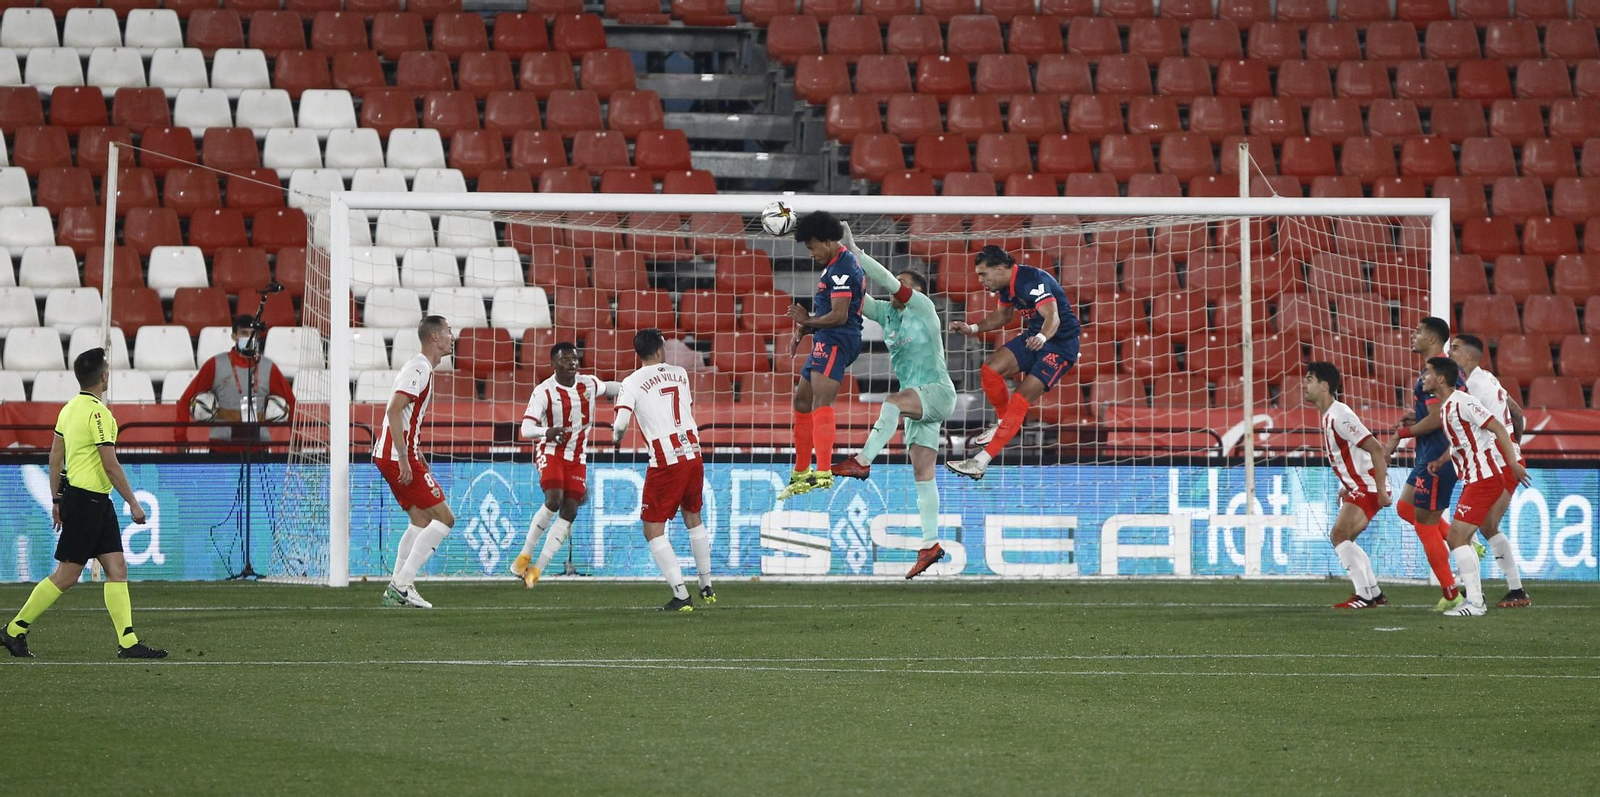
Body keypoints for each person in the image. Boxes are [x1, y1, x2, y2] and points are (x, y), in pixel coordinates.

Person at [2, 348, 166, 659]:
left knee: (117, 568)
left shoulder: (68, 410)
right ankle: (13, 630)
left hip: (90, 502)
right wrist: (133, 502)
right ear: (103, 376)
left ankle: (128, 642)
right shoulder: (99, 414)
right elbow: (110, 464)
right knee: (66, 576)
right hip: (89, 503)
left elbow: (54, 459)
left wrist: (56, 499)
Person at [828, 222, 956, 579]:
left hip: (938, 391)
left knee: (892, 402)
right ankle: (930, 544)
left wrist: (856, 252)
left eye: (903, 285)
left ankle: (863, 461)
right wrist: (838, 261)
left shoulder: (924, 309)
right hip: (921, 406)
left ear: (915, 291)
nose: (896, 290)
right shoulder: (888, 314)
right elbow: (859, 298)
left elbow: (885, 281)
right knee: (922, 473)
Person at [946, 246, 1082, 481]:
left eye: (983, 274)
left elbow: (1053, 317)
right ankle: (1001, 423)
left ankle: (980, 462)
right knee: (990, 370)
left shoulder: (1032, 280)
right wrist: (973, 328)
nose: (980, 280)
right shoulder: (1006, 287)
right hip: (1034, 337)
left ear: (1000, 268)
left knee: (1020, 398)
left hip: (1059, 345)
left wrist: (1041, 338)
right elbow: (1003, 316)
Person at [613, 328, 714, 612]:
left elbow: (621, 423)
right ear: (659, 350)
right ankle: (706, 583)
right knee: (693, 516)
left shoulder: (631, 382)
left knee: (653, 529)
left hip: (666, 460)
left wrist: (617, 437)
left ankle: (681, 596)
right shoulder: (680, 373)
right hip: (693, 453)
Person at [510, 341, 623, 588]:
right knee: (554, 498)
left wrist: (632, 389)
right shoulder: (544, 391)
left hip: (577, 455)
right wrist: (548, 431)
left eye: (574, 358)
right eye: (565, 359)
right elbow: (526, 428)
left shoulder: (589, 383)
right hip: (550, 450)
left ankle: (536, 569)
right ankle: (524, 556)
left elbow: (611, 388)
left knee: (570, 508)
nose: (572, 362)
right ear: (553, 364)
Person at [1424, 357, 1530, 617]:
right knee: (1463, 537)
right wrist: (1441, 461)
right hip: (1474, 478)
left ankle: (1475, 602)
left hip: (1485, 478)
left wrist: (1514, 463)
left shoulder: (1464, 401)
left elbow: (1497, 428)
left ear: (1440, 378)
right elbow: (1464, 441)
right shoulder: (1449, 406)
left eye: (1427, 372)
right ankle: (1474, 598)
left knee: (1457, 537)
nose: (1423, 377)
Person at [780, 210, 866, 500]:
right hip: (827, 337)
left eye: (813, 246)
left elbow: (839, 316)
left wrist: (806, 322)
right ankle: (802, 472)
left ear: (827, 241)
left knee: (821, 401)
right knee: (802, 400)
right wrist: (804, 330)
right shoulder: (833, 265)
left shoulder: (842, 268)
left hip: (839, 339)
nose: (812, 253)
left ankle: (823, 472)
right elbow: (830, 314)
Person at [1385, 317, 1467, 611]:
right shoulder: (1442, 370)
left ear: (1432, 339)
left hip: (1437, 457)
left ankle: (1451, 593)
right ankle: (1464, 543)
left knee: (1424, 525)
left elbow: (1437, 419)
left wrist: (1401, 434)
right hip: (1431, 455)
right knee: (1406, 508)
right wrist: (1415, 417)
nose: (1413, 334)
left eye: (1418, 331)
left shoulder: (1436, 373)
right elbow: (1436, 413)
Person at [375, 315, 456, 609]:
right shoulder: (419, 368)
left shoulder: (422, 369)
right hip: (397, 458)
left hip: (395, 455)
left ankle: (396, 588)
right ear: (434, 337)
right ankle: (402, 584)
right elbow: (393, 410)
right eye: (448, 330)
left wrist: (413, 449)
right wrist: (406, 457)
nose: (452, 335)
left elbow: (404, 416)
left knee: (421, 520)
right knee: (445, 519)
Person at [1448, 334, 1531, 608]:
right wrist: (1515, 448)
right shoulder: (1487, 379)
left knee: (1470, 530)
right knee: (1485, 526)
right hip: (1503, 460)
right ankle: (1513, 591)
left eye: (1455, 350)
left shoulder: (1472, 387)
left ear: (1470, 357)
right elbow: (1517, 414)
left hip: (1499, 463)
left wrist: (1509, 455)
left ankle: (1475, 596)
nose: (1450, 353)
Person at [1304, 362, 1392, 609]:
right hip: (1361, 485)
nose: (1304, 384)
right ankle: (1374, 593)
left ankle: (1364, 596)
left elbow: (1376, 449)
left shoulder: (1340, 415)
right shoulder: (1331, 415)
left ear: (1324, 386)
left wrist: (1382, 489)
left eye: (1309, 379)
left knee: (1339, 534)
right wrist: (1349, 484)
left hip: (1370, 486)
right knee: (1345, 538)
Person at [174, 315, 297, 446]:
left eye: (253, 334)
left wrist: (297, 443)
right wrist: (180, 440)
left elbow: (292, 403)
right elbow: (186, 400)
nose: (249, 338)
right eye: (244, 333)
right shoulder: (215, 364)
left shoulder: (268, 367)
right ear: (234, 336)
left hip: (259, 447)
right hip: (222, 448)